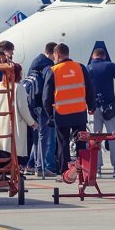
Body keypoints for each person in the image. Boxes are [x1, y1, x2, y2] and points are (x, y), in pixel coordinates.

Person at [42, 43, 95, 176]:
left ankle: (65, 172)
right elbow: (89, 89)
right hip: (79, 112)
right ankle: (83, 171)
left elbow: (46, 97)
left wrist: (50, 114)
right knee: (81, 142)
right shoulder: (80, 67)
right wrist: (91, 106)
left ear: (57, 54)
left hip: (62, 114)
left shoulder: (53, 70)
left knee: (63, 144)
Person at [87, 48, 115, 177]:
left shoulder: (88, 68)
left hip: (94, 108)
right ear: (104, 56)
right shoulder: (110, 66)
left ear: (93, 57)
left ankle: (97, 169)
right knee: (114, 137)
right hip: (109, 108)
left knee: (95, 139)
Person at [0, 63, 31, 166]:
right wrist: (32, 122)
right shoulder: (18, 87)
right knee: (14, 151)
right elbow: (23, 108)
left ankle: (1, 172)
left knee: (1, 152)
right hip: (14, 124)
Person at [28, 42, 58, 177]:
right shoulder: (48, 67)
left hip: (32, 105)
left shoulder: (35, 63)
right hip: (43, 106)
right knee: (44, 138)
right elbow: (48, 89)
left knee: (37, 138)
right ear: (52, 53)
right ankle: (40, 168)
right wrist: (49, 107)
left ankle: (31, 164)